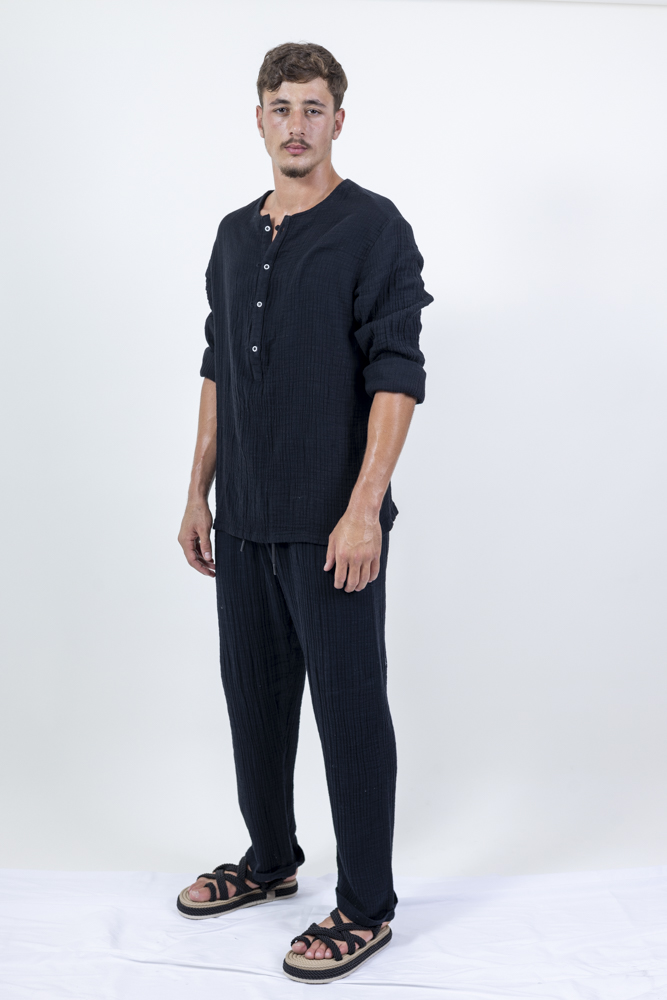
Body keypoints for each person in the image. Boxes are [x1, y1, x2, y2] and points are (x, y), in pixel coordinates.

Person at [176, 41, 433, 985]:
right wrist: (196, 490)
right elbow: (217, 364)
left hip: (332, 525)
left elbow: (396, 373)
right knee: (253, 702)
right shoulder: (233, 234)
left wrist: (364, 508)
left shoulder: (374, 228)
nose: (296, 124)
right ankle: (270, 860)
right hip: (242, 519)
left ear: (338, 120)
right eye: (280, 107)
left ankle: (365, 905)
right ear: (258, 119)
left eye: (312, 107)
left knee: (350, 711)